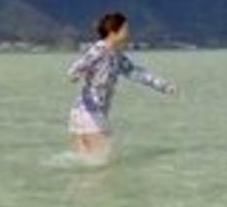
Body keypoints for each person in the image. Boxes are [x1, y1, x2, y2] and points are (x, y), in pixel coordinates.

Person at [66, 11, 175, 157]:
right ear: (113, 32)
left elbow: (135, 72)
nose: (128, 34)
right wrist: (74, 75)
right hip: (89, 111)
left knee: (88, 159)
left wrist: (164, 86)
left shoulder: (116, 55)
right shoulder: (100, 49)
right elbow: (78, 66)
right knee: (104, 156)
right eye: (125, 29)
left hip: (89, 112)